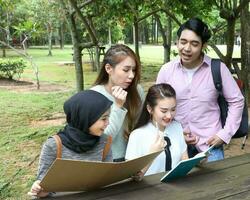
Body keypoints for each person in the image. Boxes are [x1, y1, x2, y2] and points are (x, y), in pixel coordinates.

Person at [156, 18, 244, 162]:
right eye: (183, 42)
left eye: (194, 44)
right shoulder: (166, 71)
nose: (187, 48)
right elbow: (156, 105)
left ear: (203, 45)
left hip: (210, 148)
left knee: (215, 185)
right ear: (177, 41)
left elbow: (237, 101)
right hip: (175, 145)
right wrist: (173, 133)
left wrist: (224, 134)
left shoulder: (218, 69)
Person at [27, 90, 113, 198]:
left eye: (108, 117)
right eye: (104, 118)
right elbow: (43, 186)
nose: (108, 123)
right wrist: (40, 190)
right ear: (85, 117)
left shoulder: (105, 142)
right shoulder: (53, 145)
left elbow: (108, 180)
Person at [91, 44, 144, 162]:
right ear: (109, 68)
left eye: (134, 70)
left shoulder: (137, 91)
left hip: (133, 156)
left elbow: (143, 124)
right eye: (126, 70)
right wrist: (118, 106)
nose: (131, 75)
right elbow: (104, 138)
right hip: (106, 160)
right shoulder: (95, 95)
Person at [125, 83, 188, 179]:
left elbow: (184, 160)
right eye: (164, 111)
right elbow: (132, 177)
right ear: (150, 108)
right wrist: (152, 154)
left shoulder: (176, 127)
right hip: (148, 191)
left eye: (173, 109)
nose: (169, 116)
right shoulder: (137, 135)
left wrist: (197, 162)